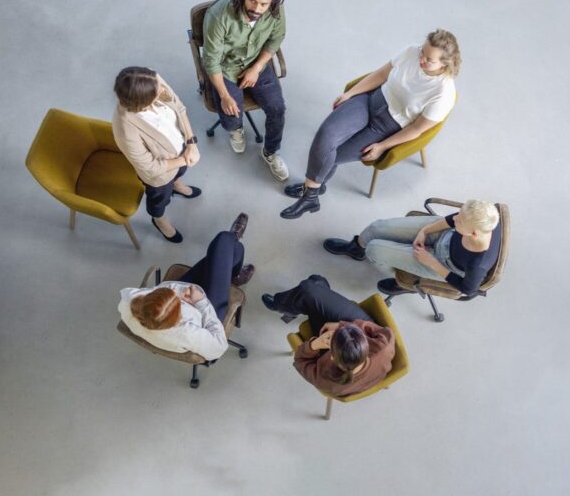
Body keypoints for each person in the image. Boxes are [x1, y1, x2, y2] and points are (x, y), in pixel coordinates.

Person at [280, 28, 461, 219]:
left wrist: (383, 146)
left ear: (445, 63)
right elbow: (382, 74)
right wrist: (350, 94)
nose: (421, 59)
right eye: (422, 52)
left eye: (429, 59)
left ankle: (312, 189)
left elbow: (417, 129)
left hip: (388, 126)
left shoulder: (443, 93)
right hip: (371, 100)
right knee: (326, 136)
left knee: (331, 153)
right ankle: (313, 192)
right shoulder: (411, 52)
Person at [117, 214, 255, 360]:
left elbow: (140, 295)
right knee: (223, 242)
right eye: (178, 303)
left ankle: (231, 255)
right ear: (177, 319)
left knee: (221, 252)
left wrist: (178, 292)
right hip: (206, 313)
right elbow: (218, 348)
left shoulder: (130, 302)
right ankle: (234, 269)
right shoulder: (186, 334)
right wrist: (200, 302)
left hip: (186, 296)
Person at [202, 0, 289, 181]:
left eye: (264, 4)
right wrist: (224, 95)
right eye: (252, 0)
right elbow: (211, 60)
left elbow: (275, 41)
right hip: (226, 68)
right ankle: (236, 129)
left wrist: (257, 67)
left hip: (257, 63)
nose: (257, 8)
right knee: (231, 114)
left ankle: (270, 152)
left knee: (278, 109)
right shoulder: (219, 15)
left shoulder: (276, 9)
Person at [323, 199, 501, 298]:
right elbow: (453, 219)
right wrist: (425, 230)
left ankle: (403, 281)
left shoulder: (478, 265)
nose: (456, 218)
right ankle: (356, 248)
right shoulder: (478, 217)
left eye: (460, 221)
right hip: (445, 235)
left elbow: (467, 289)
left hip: (443, 262)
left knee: (374, 249)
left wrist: (431, 262)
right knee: (377, 227)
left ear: (474, 234)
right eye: (459, 214)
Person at [261, 275, 396, 397]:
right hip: (358, 334)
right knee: (314, 287)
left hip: (324, 352)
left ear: (332, 356)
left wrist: (314, 345)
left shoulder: (326, 380)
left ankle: (285, 304)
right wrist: (342, 325)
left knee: (309, 287)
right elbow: (383, 331)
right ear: (363, 343)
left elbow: (300, 362)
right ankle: (314, 290)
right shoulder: (383, 347)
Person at [112, 67, 201, 243]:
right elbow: (151, 167)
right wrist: (185, 158)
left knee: (181, 171)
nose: (163, 89)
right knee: (159, 198)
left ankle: (177, 184)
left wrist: (191, 143)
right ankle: (158, 219)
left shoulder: (152, 80)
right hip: (160, 174)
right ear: (143, 103)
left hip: (182, 150)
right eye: (158, 90)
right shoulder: (126, 128)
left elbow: (178, 106)